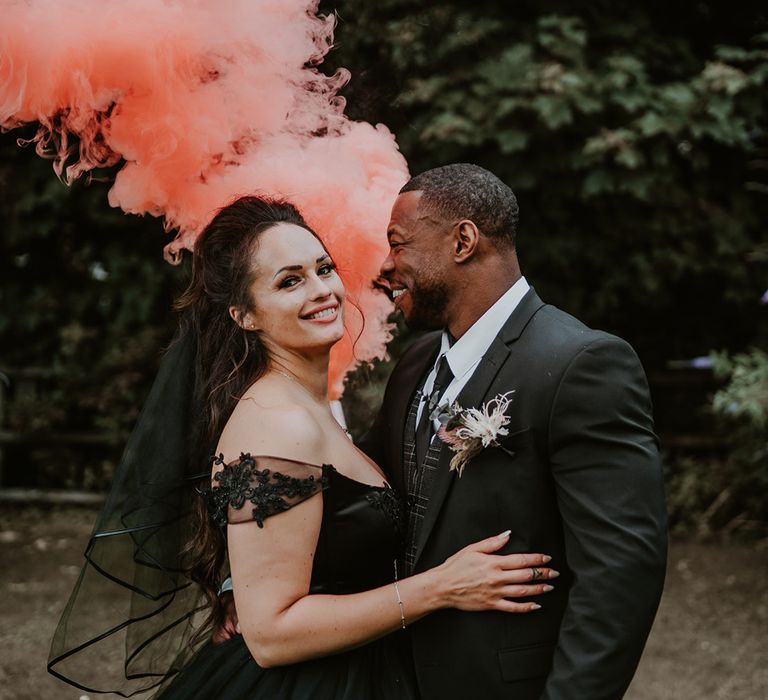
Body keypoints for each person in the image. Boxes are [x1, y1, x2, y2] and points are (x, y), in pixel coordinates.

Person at [48, 195, 556, 699]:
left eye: (323, 269)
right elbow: (271, 635)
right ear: (244, 315)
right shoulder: (278, 423)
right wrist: (440, 588)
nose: (322, 291)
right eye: (289, 281)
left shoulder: (309, 406)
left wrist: (238, 586)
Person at [358, 163, 669, 699]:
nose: (386, 266)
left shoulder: (582, 364)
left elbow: (620, 573)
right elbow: (357, 494)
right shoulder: (415, 365)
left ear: (463, 241)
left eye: (398, 244)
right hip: (393, 679)